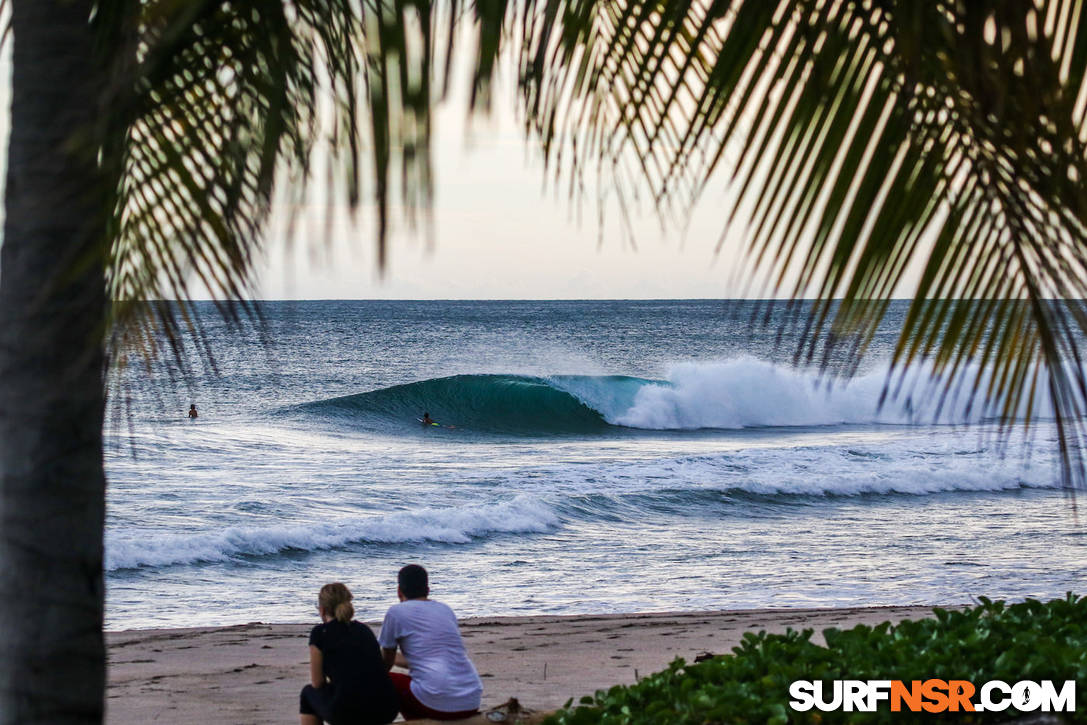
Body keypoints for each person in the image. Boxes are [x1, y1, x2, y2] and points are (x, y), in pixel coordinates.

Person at [379, 565, 483, 720]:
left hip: (439, 702)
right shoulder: (445, 609)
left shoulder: (396, 612)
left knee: (381, 679)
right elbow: (424, 658)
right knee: (417, 686)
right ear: (427, 590)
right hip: (471, 698)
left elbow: (385, 664)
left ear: (399, 591)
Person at [300, 582, 399, 725]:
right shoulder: (364, 630)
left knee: (307, 694)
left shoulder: (320, 633)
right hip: (386, 708)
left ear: (322, 610)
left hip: (348, 711)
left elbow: (317, 682)